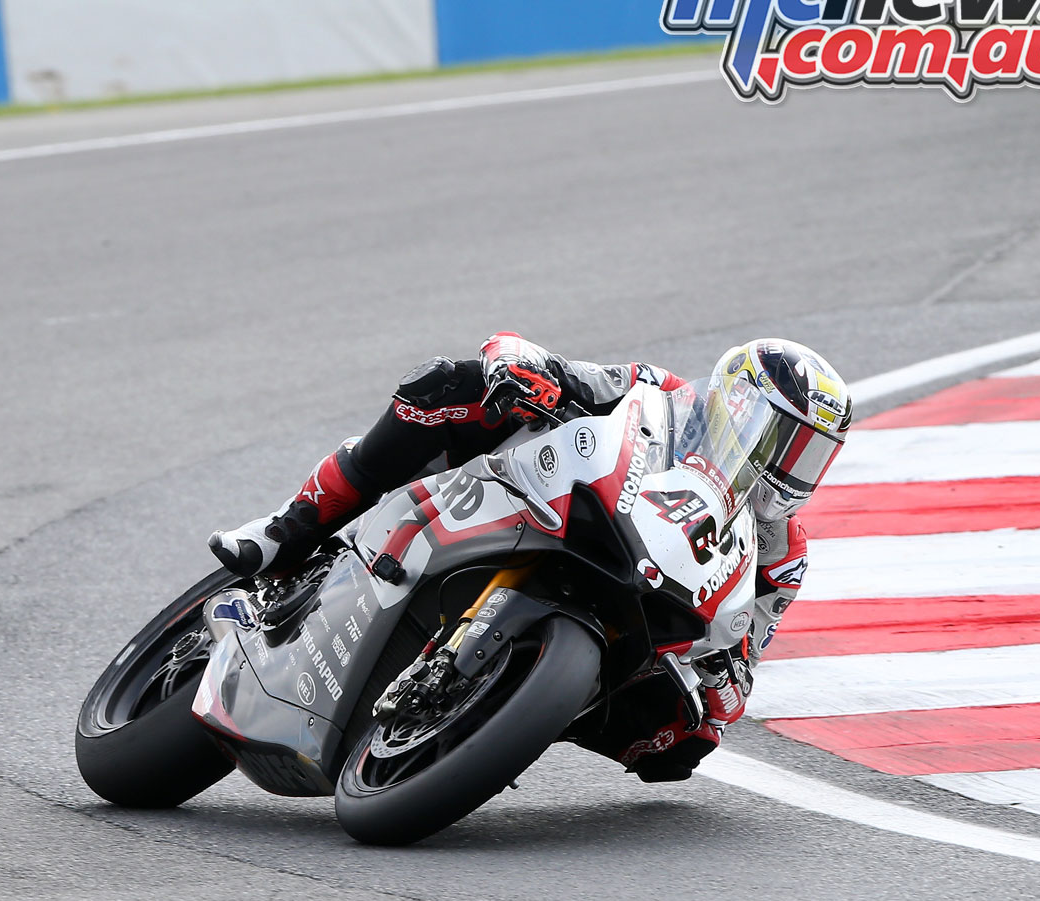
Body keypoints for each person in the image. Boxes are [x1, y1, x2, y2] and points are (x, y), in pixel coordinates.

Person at [208, 333, 851, 781]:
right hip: (548, 501)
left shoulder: (781, 553)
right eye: (785, 441)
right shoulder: (659, 392)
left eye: (811, 456)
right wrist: (523, 368)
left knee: (683, 746)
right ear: (737, 405)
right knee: (447, 386)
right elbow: (567, 373)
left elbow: (747, 656)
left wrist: (723, 678)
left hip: (644, 616)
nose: (791, 469)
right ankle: (287, 531)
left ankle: (503, 711)